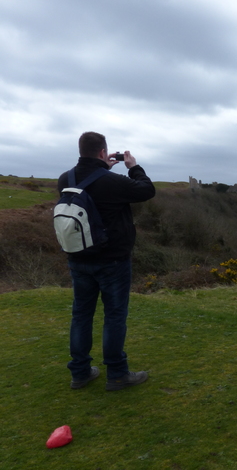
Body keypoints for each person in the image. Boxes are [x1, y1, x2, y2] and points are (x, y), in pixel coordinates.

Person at [58, 132, 155, 391]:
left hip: (78, 258)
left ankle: (80, 372)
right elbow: (146, 190)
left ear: (82, 151)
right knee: (114, 316)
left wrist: (102, 169)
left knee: (81, 315)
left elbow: (91, 191)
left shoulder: (64, 179)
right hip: (113, 261)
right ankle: (118, 374)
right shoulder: (113, 182)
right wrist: (133, 166)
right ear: (103, 152)